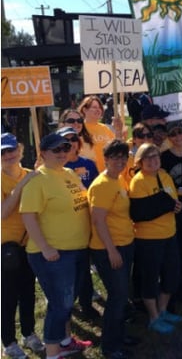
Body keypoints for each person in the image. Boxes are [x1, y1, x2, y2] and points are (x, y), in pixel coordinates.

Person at [20, 133, 93, 359]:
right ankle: (53, 353)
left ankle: (65, 341)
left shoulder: (69, 173)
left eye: (65, 149)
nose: (62, 153)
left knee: (67, 301)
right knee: (60, 305)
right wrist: (45, 248)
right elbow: (28, 216)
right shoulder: (38, 179)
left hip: (78, 248)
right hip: (54, 253)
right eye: (56, 150)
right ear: (42, 153)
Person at [88, 140, 137, 359]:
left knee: (122, 295)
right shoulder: (102, 185)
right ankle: (110, 347)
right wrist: (111, 250)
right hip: (110, 249)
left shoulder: (118, 181)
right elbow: (98, 221)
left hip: (125, 243)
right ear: (105, 159)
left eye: (123, 157)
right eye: (114, 157)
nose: (119, 161)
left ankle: (119, 335)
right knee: (117, 297)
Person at [129, 143, 182, 333]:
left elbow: (171, 202)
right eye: (148, 158)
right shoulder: (138, 182)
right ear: (140, 161)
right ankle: (153, 318)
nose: (153, 161)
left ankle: (162, 310)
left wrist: (176, 206)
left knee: (171, 274)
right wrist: (164, 205)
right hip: (148, 238)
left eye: (156, 157)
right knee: (150, 278)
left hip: (169, 234)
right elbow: (140, 212)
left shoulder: (165, 176)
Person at [1, 133, 45, 359]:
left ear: (20, 150)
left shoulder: (31, 173)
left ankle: (29, 333)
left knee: (28, 292)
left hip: (30, 244)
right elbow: (3, 212)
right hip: (6, 246)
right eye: (3, 152)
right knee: (7, 297)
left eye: (11, 150)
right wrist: (23, 184)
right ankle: (8, 342)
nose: (8, 155)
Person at [56, 126, 100, 319]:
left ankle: (86, 302)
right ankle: (63, 306)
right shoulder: (53, 170)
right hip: (65, 228)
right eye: (65, 141)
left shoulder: (88, 164)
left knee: (84, 266)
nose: (70, 144)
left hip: (87, 221)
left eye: (74, 139)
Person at [161, 122, 182, 306]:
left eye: (180, 132)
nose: (177, 137)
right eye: (173, 134)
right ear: (169, 138)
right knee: (172, 253)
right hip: (171, 211)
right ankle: (171, 291)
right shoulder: (164, 158)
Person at [79, 96, 123, 172]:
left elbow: (116, 147)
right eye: (94, 107)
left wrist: (119, 131)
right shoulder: (80, 128)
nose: (98, 110)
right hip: (90, 174)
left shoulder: (105, 128)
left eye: (99, 107)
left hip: (107, 173)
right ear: (84, 110)